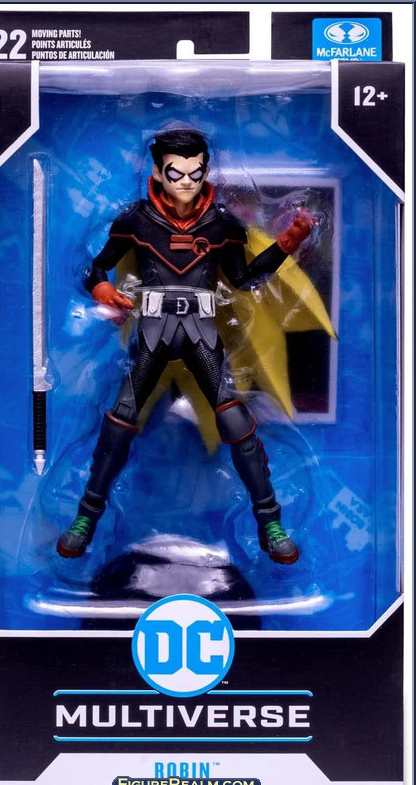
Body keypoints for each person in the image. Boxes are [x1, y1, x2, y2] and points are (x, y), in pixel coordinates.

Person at [57, 129, 316, 563]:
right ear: (158, 172)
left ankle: (270, 522)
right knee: (120, 420)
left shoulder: (221, 225)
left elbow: (243, 279)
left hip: (201, 330)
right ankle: (85, 518)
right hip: (154, 330)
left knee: (236, 421)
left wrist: (286, 244)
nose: (187, 182)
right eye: (176, 173)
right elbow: (95, 267)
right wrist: (101, 288)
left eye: (196, 173)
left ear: (206, 170)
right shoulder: (136, 220)